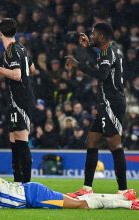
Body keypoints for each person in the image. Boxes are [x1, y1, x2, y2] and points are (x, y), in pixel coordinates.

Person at [65, 22, 128, 197]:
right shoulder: (108, 50)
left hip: (112, 103)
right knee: (91, 142)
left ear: (101, 36)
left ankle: (124, 190)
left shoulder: (108, 52)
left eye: (93, 34)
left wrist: (79, 66)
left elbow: (102, 75)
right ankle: (87, 189)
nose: (90, 36)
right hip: (105, 103)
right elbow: (103, 69)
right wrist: (90, 46)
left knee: (115, 145)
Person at [0, 18, 36, 183]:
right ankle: (18, 182)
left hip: (21, 100)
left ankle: (26, 185)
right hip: (18, 99)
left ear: (0, 32)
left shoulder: (11, 50)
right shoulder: (21, 48)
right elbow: (32, 69)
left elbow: (17, 75)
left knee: (21, 138)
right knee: (14, 139)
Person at [0, 175, 138, 210]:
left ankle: (127, 204)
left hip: (33, 196)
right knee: (74, 199)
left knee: (80, 205)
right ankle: (122, 196)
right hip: (31, 192)